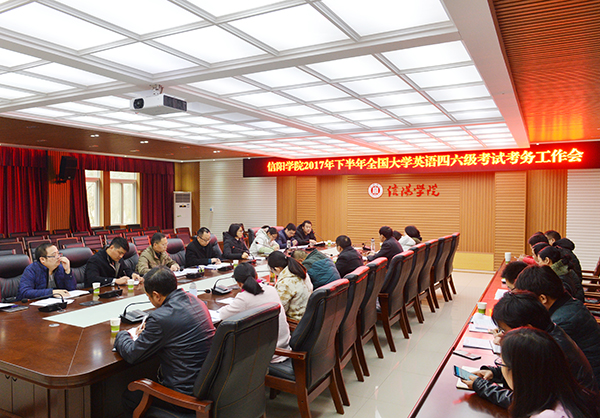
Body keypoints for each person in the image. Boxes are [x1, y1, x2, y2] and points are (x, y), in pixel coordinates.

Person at [464, 291, 596, 409]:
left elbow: (526, 402)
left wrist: (482, 387)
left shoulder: (547, 350)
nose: (501, 335)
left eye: (504, 330)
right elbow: (528, 375)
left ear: (526, 328)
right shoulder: (548, 335)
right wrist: (495, 373)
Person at [114, 267, 215, 414]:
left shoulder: (160, 318)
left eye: (148, 297)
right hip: (209, 386)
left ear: (156, 295)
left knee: (131, 396)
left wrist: (123, 334)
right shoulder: (195, 300)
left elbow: (132, 354)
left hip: (185, 397)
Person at [514, 265, 600, 387]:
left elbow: (539, 361)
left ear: (543, 298)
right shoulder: (568, 303)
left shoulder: (561, 322)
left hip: (587, 387)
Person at [493, 327, 600, 418]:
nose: (501, 369)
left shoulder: (549, 415)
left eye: (501, 363)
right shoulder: (578, 395)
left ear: (520, 372)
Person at [219, 263, 291, 363]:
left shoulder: (244, 298)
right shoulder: (271, 289)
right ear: (256, 276)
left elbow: (222, 315)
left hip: (266, 355)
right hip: (285, 347)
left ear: (238, 283)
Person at [267, 251, 310, 322]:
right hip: (306, 315)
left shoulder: (286, 282)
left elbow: (280, 310)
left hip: (295, 320)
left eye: (272, 270)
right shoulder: (300, 271)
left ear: (277, 269)